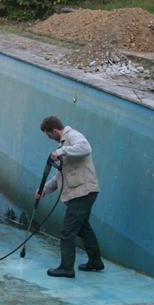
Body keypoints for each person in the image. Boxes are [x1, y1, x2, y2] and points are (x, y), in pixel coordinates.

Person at [36, 116, 104, 278]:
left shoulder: (73, 136)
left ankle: (66, 268)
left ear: (55, 131)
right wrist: (44, 190)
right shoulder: (63, 144)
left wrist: (60, 151)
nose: (49, 139)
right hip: (82, 192)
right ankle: (95, 262)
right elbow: (60, 175)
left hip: (83, 192)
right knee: (83, 228)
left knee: (67, 232)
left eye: (49, 135)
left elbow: (86, 148)